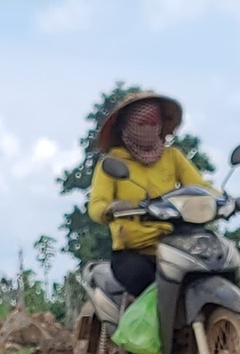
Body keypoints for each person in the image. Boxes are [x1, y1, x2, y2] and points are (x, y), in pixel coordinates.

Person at [85, 92, 213, 296]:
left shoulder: (172, 156)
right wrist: (111, 208)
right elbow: (96, 205)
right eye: (142, 123)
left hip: (177, 243)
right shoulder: (113, 163)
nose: (149, 128)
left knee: (209, 270)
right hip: (133, 252)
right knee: (144, 282)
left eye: (154, 122)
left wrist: (225, 200)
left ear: (161, 125)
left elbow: (200, 186)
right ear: (127, 127)